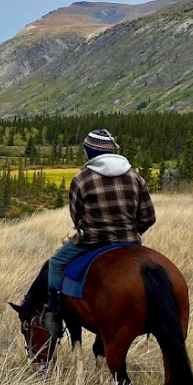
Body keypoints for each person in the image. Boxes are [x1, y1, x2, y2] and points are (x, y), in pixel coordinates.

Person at [43, 129, 157, 338]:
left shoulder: (81, 179)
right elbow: (148, 217)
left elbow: (76, 217)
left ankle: (55, 315)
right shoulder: (135, 176)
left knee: (56, 263)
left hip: (93, 241)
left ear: (90, 152)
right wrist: (131, 232)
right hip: (129, 241)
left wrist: (90, 230)